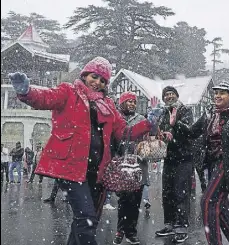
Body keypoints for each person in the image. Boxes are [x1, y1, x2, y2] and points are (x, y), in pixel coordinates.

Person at [8, 56, 160, 245]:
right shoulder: (68, 91)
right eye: (94, 77)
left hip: (98, 172)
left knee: (87, 221)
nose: (97, 83)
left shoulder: (109, 104)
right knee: (86, 220)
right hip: (72, 168)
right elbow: (46, 98)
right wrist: (27, 92)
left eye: (103, 80)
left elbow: (124, 133)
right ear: (85, 74)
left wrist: (149, 122)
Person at [170, 81, 229, 245]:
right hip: (211, 165)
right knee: (222, 210)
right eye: (216, 93)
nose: (217, 96)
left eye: (222, 93)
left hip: (226, 165)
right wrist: (176, 123)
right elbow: (192, 132)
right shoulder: (209, 113)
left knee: (207, 201)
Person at [113, 91, 162, 245]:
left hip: (139, 164)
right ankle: (121, 229)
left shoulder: (142, 118)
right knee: (124, 199)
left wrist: (154, 117)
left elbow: (153, 132)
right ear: (122, 103)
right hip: (122, 164)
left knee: (135, 200)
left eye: (134, 102)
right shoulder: (116, 118)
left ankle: (131, 231)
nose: (132, 104)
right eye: (129, 101)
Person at [154, 86, 194, 243]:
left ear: (177, 96)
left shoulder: (185, 110)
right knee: (167, 192)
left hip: (184, 158)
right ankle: (169, 224)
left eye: (172, 94)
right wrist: (162, 134)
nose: (169, 97)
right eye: (166, 95)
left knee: (181, 192)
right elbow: (161, 131)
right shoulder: (163, 112)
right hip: (169, 158)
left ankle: (181, 226)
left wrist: (175, 123)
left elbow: (189, 131)